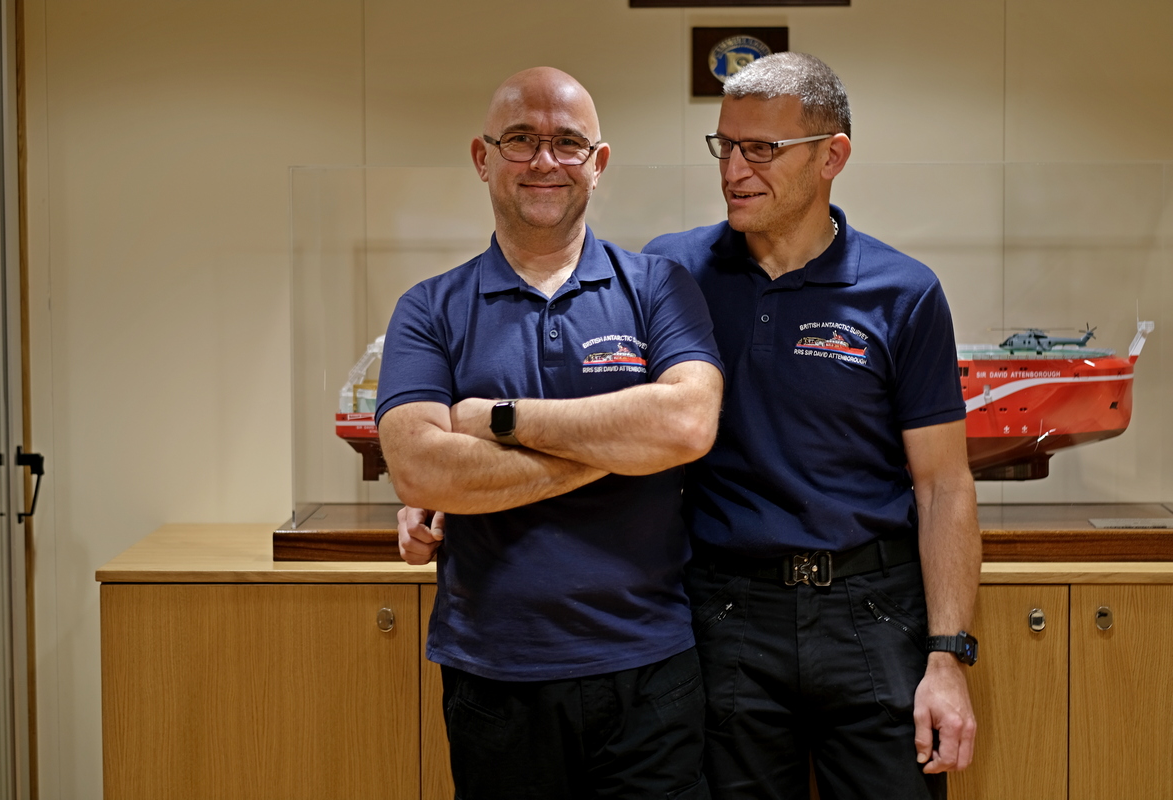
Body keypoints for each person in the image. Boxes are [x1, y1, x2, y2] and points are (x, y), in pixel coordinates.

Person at [376, 67, 724, 800]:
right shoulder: (429, 310)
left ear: (597, 164)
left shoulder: (658, 288)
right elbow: (420, 471)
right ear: (483, 157)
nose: (544, 160)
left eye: (567, 142)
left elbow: (688, 423)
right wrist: (624, 448)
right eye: (521, 140)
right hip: (495, 676)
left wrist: (496, 422)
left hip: (650, 673)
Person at [642, 52, 981, 800]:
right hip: (728, 614)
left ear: (833, 157)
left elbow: (944, 484)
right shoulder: (671, 274)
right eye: (724, 145)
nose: (734, 169)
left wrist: (947, 656)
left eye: (761, 149)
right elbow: (595, 404)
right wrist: (455, 472)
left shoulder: (906, 292)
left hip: (875, 615)